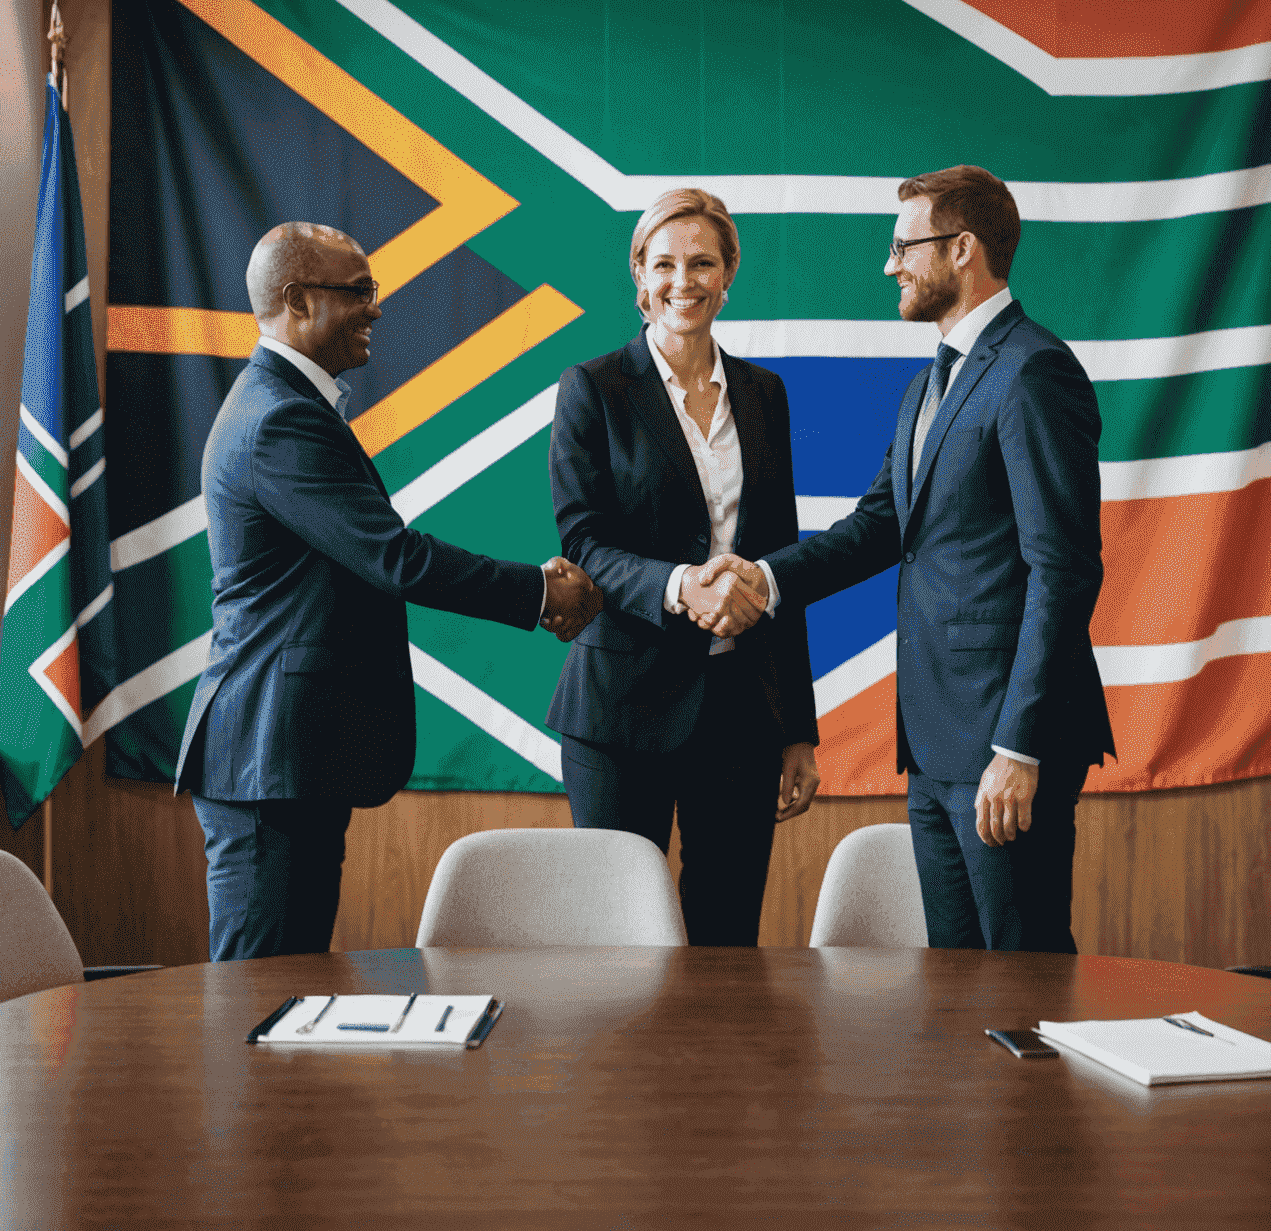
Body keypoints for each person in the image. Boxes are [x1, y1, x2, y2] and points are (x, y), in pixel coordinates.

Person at [698, 166, 1114, 952]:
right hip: (933, 741)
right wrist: (767, 577)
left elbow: (1064, 569)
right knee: (956, 985)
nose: (889, 265)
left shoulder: (1034, 371)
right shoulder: (928, 384)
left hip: (1003, 741)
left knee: (1021, 979)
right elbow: (882, 524)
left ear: (962, 250)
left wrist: (1017, 746)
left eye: (902, 246)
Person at [174, 222, 601, 962]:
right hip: (265, 761)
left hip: (293, 758)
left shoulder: (285, 406)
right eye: (359, 292)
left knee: (290, 988)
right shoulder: (279, 421)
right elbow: (394, 558)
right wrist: (538, 592)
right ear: (298, 300)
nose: (375, 308)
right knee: (254, 997)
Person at [545, 188, 820, 946]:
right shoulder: (592, 390)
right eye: (663, 263)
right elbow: (583, 541)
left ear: (729, 273)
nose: (683, 280)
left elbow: (782, 560)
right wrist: (678, 586)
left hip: (741, 712)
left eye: (702, 262)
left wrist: (798, 726)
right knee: (616, 943)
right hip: (619, 709)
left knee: (728, 939)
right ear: (639, 276)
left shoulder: (765, 395)